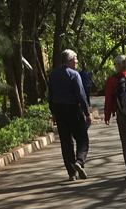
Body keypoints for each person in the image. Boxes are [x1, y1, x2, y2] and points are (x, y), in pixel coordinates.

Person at [48, 49, 91, 180]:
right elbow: (81, 95)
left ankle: (71, 173)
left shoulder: (53, 75)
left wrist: (53, 112)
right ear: (70, 60)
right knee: (82, 138)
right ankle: (79, 161)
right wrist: (87, 112)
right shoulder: (74, 75)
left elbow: (50, 95)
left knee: (66, 142)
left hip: (59, 110)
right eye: (75, 59)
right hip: (73, 109)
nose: (77, 61)